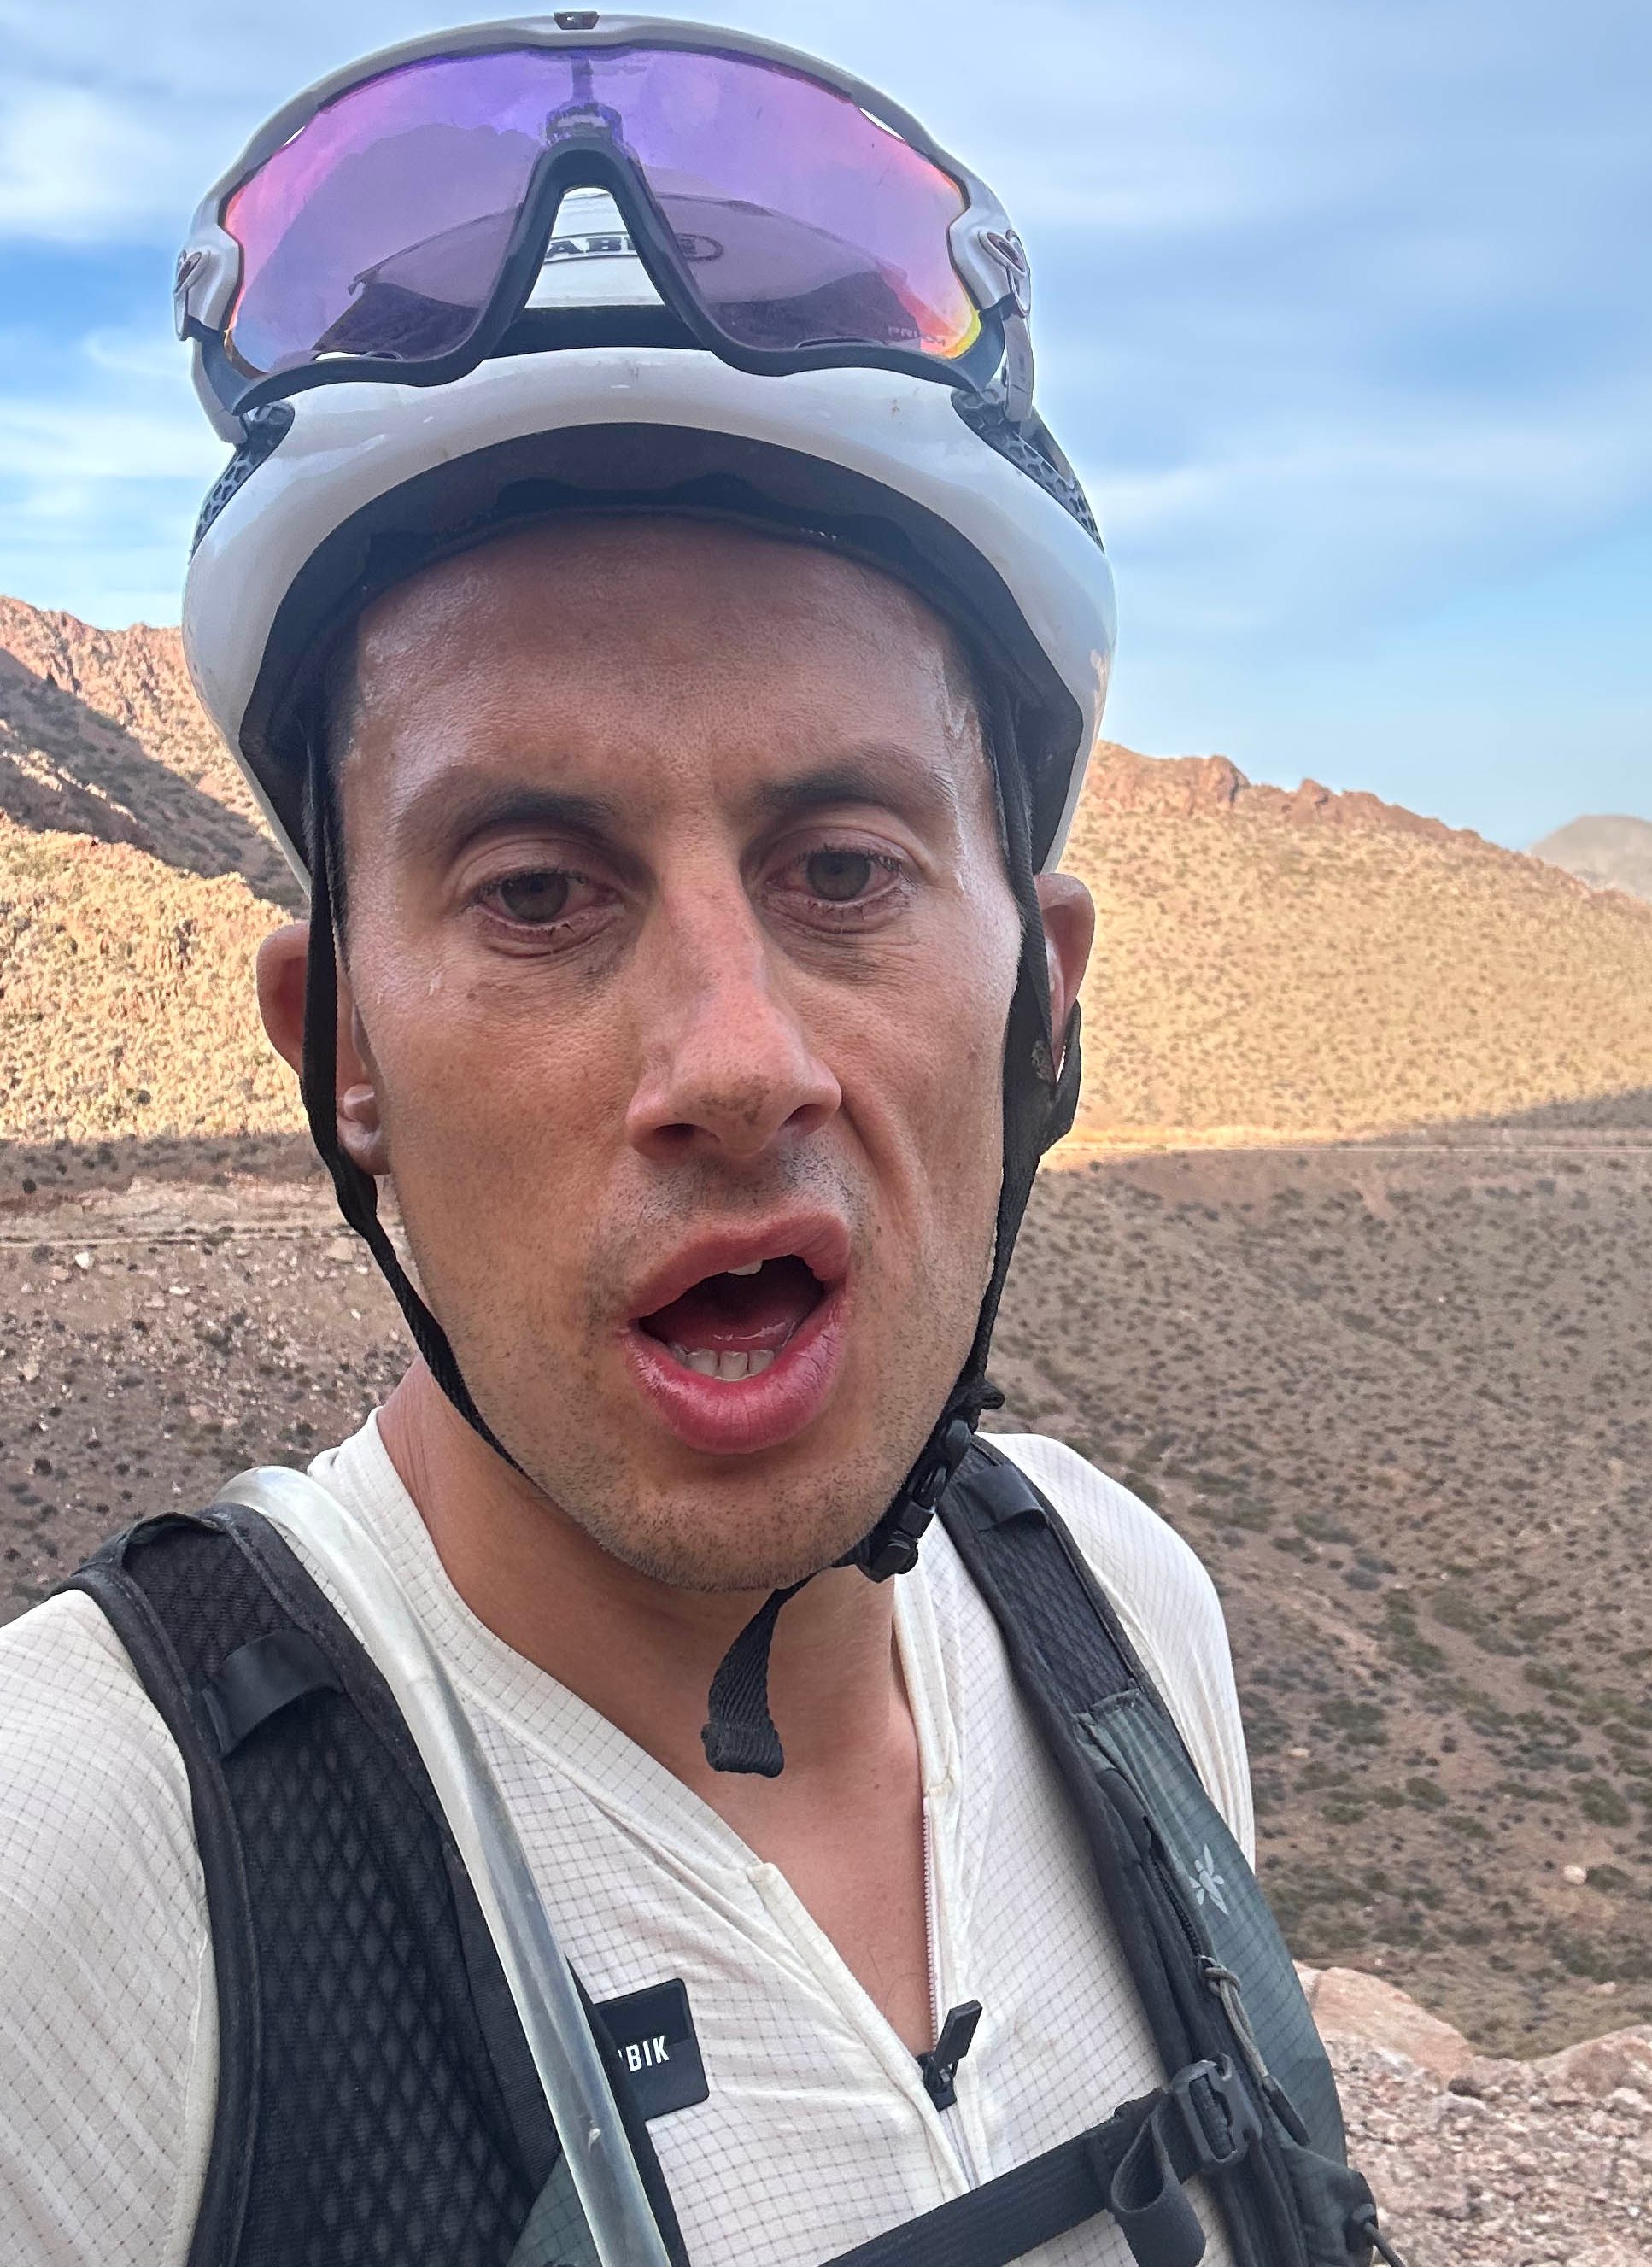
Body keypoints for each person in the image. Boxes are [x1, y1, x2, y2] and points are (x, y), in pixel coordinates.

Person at [0, 19, 1387, 2267]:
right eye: (537, 893)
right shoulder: (90, 1868)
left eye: (842, 867)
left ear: (1039, 1001)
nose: (737, 1063)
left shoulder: (1117, 1624)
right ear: (332, 1046)